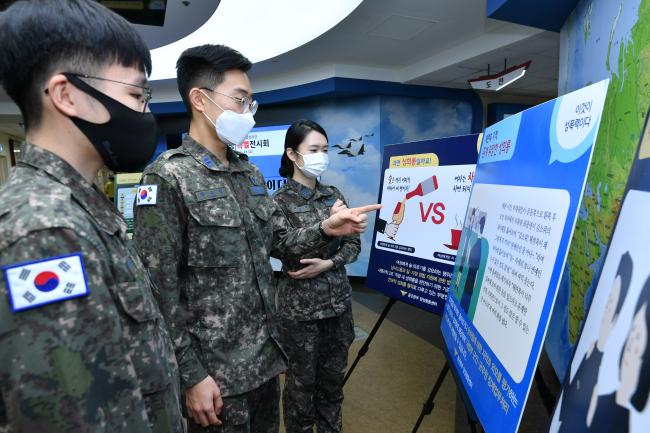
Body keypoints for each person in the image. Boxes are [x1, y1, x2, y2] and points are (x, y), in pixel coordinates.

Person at [133, 44, 379, 433]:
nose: (248, 112)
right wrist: (191, 375)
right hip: (216, 376)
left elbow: (278, 244)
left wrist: (325, 230)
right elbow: (157, 290)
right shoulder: (167, 178)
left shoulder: (249, 176)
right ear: (200, 99)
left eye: (252, 102)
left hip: (266, 359)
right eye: (241, 100)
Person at [0, 1, 183, 432]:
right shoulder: (45, 231)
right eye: (137, 94)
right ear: (67, 95)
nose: (144, 113)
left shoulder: (78, 206)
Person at [271, 120, 359, 433]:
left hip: (337, 307)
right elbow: (281, 246)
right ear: (293, 155)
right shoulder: (278, 202)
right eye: (313, 150)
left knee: (333, 387)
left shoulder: (333, 195)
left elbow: (353, 244)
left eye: (324, 149)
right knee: (299, 391)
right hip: (300, 314)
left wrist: (330, 263)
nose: (321, 155)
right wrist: (326, 229)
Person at [557, 252, 632, 433]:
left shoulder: (613, 387)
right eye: (606, 303)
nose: (604, 311)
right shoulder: (589, 352)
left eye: (610, 304)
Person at [586, 273, 650, 432]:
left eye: (639, 338)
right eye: (632, 332)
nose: (629, 346)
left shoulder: (623, 425)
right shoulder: (598, 400)